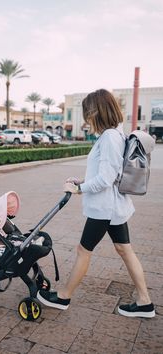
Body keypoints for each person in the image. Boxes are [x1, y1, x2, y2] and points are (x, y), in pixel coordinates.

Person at [37, 89, 155, 318]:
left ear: (96, 112)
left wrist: (80, 188)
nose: (86, 118)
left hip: (105, 209)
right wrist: (81, 181)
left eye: (87, 113)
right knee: (124, 249)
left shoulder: (110, 136)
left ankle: (63, 297)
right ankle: (144, 302)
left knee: (83, 250)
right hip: (112, 206)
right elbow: (107, 175)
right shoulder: (113, 134)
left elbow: (106, 179)